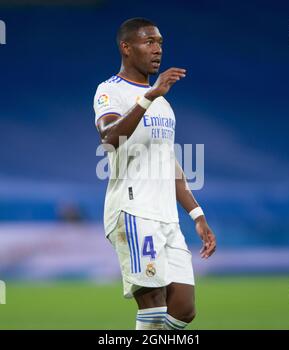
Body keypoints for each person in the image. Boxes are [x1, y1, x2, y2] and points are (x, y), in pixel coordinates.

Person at [94, 17, 216, 330]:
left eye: (160, 42)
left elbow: (169, 164)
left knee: (183, 309)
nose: (157, 49)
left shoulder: (163, 105)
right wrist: (149, 96)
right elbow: (109, 139)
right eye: (149, 42)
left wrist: (197, 214)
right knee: (154, 303)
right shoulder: (110, 91)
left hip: (166, 216)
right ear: (126, 47)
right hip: (132, 210)